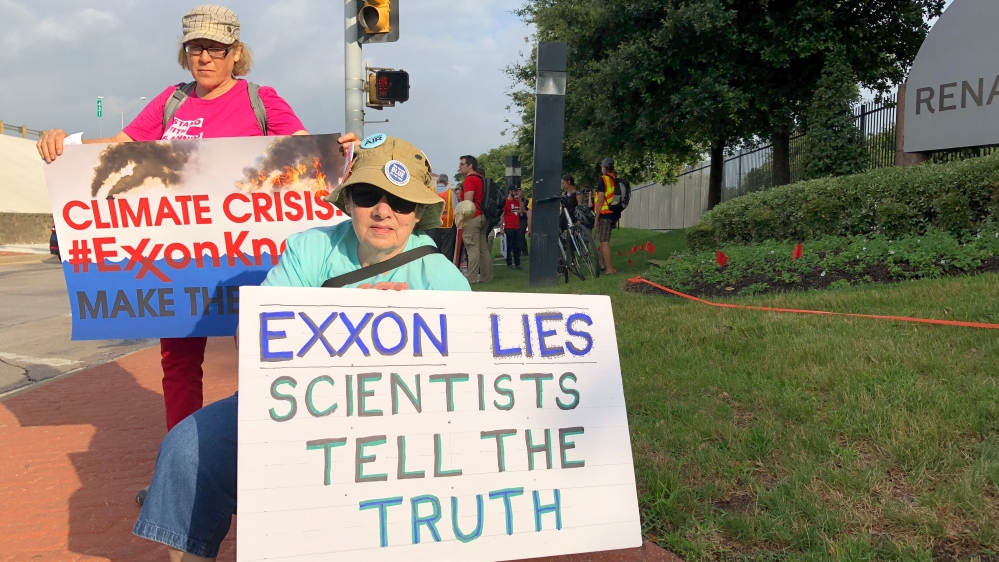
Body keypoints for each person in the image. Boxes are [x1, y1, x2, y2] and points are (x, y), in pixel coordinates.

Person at [133, 135, 470, 561]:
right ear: (349, 201)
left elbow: (464, 388)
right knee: (186, 450)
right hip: (291, 406)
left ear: (418, 212)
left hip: (393, 427)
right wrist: (346, 313)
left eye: (401, 202)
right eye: (369, 195)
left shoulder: (444, 280)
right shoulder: (310, 247)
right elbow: (252, 337)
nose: (384, 211)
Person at [35, 4, 310, 504]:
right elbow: (116, 151)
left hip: (249, 258)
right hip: (182, 260)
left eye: (216, 48)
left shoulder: (260, 100)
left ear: (235, 52)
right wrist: (64, 145)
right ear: (185, 52)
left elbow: (304, 153)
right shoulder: (169, 102)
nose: (204, 57)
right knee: (178, 366)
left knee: (264, 361)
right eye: (195, 48)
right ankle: (178, 478)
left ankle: (265, 469)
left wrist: (343, 148)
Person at [458, 155, 493, 284]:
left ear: (470, 165)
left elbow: (468, 203)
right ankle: (487, 277)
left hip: (473, 217)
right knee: (483, 249)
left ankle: (471, 278)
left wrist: (462, 219)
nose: (459, 167)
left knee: (472, 248)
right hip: (484, 216)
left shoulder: (469, 180)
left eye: (462, 164)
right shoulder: (481, 179)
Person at [425, 173, 458, 262]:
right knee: (447, 251)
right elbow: (456, 209)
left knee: (433, 250)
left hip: (432, 226)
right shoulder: (451, 194)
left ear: (438, 181)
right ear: (447, 183)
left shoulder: (430, 192)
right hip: (448, 225)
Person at [595, 158, 619, 275]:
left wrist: (596, 218)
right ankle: (602, 264)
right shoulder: (615, 179)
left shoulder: (603, 179)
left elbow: (600, 200)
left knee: (604, 242)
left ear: (604, 167)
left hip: (604, 214)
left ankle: (609, 270)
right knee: (602, 240)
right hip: (613, 214)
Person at [501, 187, 524, 270]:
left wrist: (520, 201)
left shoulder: (517, 202)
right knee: (509, 246)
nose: (516, 193)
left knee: (517, 246)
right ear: (510, 191)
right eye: (514, 191)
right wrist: (502, 227)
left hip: (516, 227)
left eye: (516, 191)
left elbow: (522, 211)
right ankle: (509, 263)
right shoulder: (506, 202)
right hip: (508, 227)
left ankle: (517, 263)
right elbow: (502, 215)